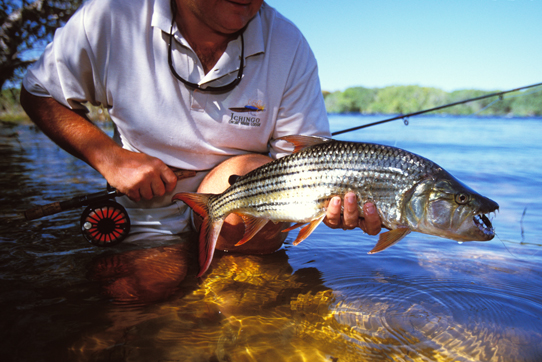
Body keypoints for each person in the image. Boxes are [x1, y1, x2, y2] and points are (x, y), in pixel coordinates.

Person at [20, 0, 381, 255]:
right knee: (139, 298)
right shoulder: (111, 14)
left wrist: (333, 203)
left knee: (253, 177)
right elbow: (38, 92)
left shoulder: (290, 43)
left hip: (239, 205)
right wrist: (110, 158)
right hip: (146, 210)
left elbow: (308, 167)